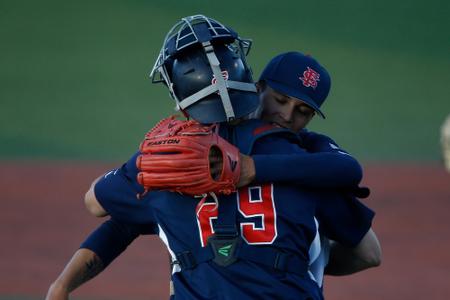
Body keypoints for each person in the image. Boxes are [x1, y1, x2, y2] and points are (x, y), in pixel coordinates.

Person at [46, 15, 380, 300]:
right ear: (253, 84)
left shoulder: (170, 159)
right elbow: (368, 252)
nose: (286, 115)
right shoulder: (309, 167)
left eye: (303, 111)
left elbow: (102, 208)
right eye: (280, 99)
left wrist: (62, 285)